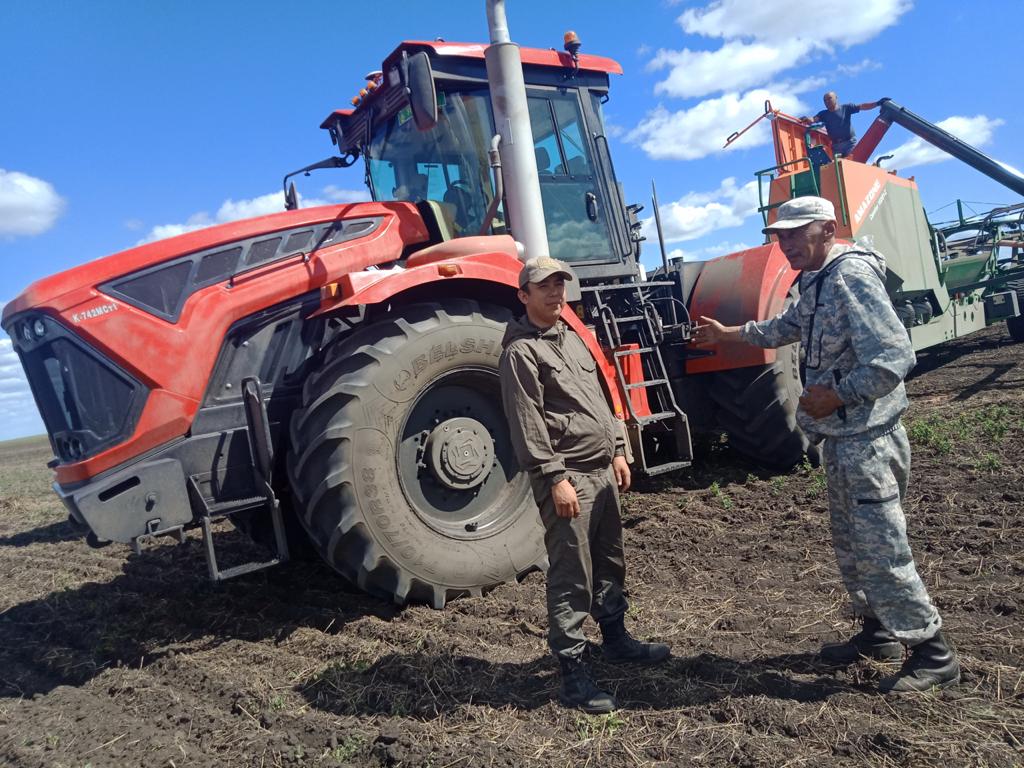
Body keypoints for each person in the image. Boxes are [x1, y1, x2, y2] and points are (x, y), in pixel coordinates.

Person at [692, 196, 959, 694]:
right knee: (854, 546)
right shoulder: (816, 281)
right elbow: (786, 327)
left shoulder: (850, 277)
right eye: (779, 234)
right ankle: (878, 632)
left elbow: (893, 358)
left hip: (867, 440)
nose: (784, 242)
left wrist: (837, 395)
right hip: (841, 439)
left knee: (882, 549)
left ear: (828, 229)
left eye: (795, 232)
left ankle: (932, 652)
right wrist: (731, 333)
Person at [499, 256, 670, 714]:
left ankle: (615, 638)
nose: (555, 293)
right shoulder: (521, 352)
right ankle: (573, 675)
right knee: (572, 572)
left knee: (610, 562)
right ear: (524, 295)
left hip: (602, 470)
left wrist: (618, 447)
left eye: (560, 285)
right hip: (569, 477)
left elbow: (599, 395)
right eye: (544, 287)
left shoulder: (573, 339)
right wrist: (555, 478)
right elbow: (527, 424)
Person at [801, 92, 884, 156]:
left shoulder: (846, 108)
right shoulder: (823, 114)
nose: (827, 102)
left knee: (854, 164)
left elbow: (862, 106)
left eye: (829, 98)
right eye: (825, 100)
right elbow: (813, 119)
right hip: (836, 147)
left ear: (836, 98)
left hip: (850, 144)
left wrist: (877, 103)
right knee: (838, 170)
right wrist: (807, 119)